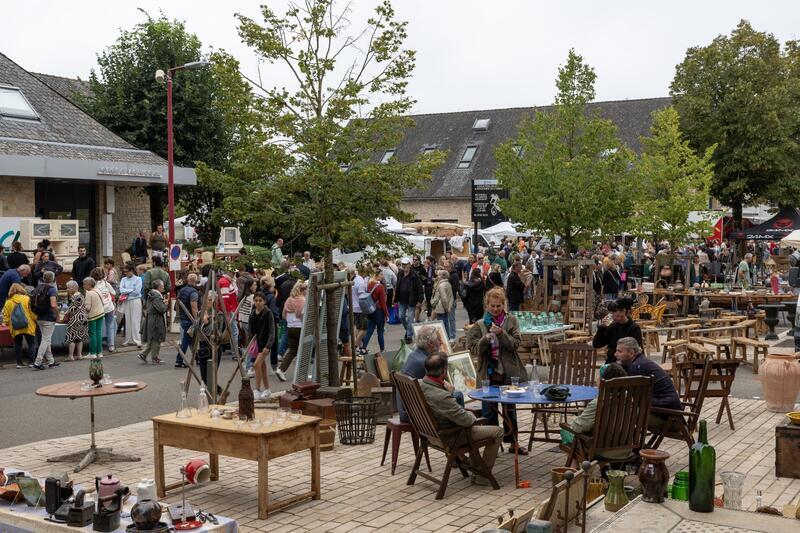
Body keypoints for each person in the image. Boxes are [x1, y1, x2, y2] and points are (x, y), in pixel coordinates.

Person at [418, 353, 504, 486]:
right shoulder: (442, 396)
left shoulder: (419, 385)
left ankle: (476, 467)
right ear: (444, 370)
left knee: (472, 429)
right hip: (450, 437)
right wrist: (472, 415)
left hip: (428, 435)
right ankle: (482, 475)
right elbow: (467, 421)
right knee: (498, 431)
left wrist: (447, 390)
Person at [466, 287, 526, 454]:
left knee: (510, 411)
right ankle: (491, 447)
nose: (495, 309)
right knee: (489, 412)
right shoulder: (479, 325)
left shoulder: (511, 320)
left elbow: (515, 345)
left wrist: (501, 334)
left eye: (498, 306)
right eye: (492, 306)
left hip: (508, 374)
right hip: (488, 375)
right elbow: (473, 349)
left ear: (503, 305)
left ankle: (513, 443)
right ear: (487, 305)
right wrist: (485, 340)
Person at [560, 363, 630, 463]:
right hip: (626, 448)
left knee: (565, 431)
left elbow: (578, 427)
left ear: (603, 381)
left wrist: (577, 419)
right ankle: (601, 468)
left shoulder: (599, 403)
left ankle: (573, 468)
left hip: (601, 450)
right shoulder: (631, 400)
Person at [614, 337, 682, 430]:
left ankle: (622, 438)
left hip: (669, 419)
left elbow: (634, 398)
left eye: (619, 351)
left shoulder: (637, 367)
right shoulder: (641, 361)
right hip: (671, 415)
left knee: (620, 411)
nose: (615, 354)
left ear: (631, 353)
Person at [397, 325, 460, 422]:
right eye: (439, 339)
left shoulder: (413, 355)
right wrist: (447, 387)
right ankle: (461, 426)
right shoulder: (425, 362)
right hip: (415, 413)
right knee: (457, 395)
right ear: (430, 343)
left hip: (405, 410)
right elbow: (439, 393)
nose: (441, 342)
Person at [593, 298, 643, 364]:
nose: (612, 315)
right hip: (612, 363)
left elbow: (638, 351)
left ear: (623, 311)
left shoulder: (634, 328)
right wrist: (602, 328)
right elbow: (596, 344)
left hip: (627, 364)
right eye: (611, 312)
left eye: (614, 311)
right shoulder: (612, 327)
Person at [276, 281, 307, 381]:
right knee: (304, 350)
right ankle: (302, 374)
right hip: (300, 327)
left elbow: (283, 315)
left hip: (290, 327)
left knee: (292, 351)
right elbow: (302, 315)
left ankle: (281, 369)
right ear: (303, 290)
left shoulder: (289, 300)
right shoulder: (303, 300)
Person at [2, 283, 37, 368]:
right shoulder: (26, 298)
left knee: (18, 344)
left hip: (15, 326)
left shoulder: (8, 302)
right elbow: (32, 311)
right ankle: (31, 362)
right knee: (31, 343)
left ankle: (19, 363)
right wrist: (35, 319)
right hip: (28, 325)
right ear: (21, 289)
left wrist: (6, 322)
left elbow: (6, 315)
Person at [249, 291, 275, 400]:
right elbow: (251, 330)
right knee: (262, 367)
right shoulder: (252, 313)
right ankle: (267, 389)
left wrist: (268, 346)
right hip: (257, 344)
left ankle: (257, 389)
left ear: (264, 301)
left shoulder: (268, 313)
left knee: (256, 365)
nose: (258, 303)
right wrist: (251, 341)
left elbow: (272, 331)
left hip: (265, 344)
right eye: (256, 300)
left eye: (260, 300)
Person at [32, 270, 59, 370]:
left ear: (43, 278)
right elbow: (53, 305)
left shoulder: (37, 288)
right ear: (53, 279)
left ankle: (51, 360)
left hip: (39, 316)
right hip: (49, 317)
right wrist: (57, 315)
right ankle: (38, 362)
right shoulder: (51, 289)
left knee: (46, 339)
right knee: (46, 339)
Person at [395, 258, 424, 343]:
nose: (404, 266)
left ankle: (409, 336)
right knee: (401, 316)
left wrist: (420, 301)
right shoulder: (400, 273)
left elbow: (420, 289)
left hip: (411, 300)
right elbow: (397, 285)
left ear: (409, 265)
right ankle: (408, 330)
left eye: (405, 264)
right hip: (401, 299)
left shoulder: (414, 275)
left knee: (410, 318)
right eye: (402, 264)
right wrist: (395, 296)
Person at [139, 279, 167, 364]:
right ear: (158, 287)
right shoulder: (157, 297)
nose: (163, 288)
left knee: (153, 338)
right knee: (156, 338)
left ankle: (143, 354)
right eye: (162, 286)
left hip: (151, 318)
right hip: (156, 319)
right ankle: (155, 358)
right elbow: (161, 309)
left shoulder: (151, 294)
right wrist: (165, 304)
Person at [361, 270, 389, 355]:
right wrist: (386, 314)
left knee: (369, 330)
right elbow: (383, 302)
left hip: (370, 309)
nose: (382, 276)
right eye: (381, 274)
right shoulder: (380, 287)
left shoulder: (369, 284)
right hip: (379, 311)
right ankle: (382, 349)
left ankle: (363, 348)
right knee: (380, 332)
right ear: (377, 275)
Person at [176, 273, 200, 368]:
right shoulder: (193, 292)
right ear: (196, 281)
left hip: (183, 317)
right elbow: (194, 307)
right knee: (186, 340)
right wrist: (196, 319)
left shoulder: (182, 290)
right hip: (190, 319)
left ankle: (198, 357)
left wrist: (179, 315)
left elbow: (178, 303)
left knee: (191, 340)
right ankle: (179, 360)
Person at [63, 280, 88, 361]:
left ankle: (71, 356)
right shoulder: (81, 295)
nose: (67, 289)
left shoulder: (74, 297)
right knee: (79, 338)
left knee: (72, 338)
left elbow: (72, 310)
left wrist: (65, 314)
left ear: (74, 288)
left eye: (68, 288)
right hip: (83, 318)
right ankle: (79, 355)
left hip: (75, 319)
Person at [119, 265, 143, 348]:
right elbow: (121, 290)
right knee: (128, 320)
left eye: (127, 271)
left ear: (131, 270)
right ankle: (128, 340)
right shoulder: (123, 279)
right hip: (127, 301)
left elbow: (137, 292)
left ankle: (137, 340)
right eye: (124, 272)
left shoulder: (138, 279)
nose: (125, 273)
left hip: (135, 301)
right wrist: (131, 290)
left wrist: (126, 291)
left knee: (136, 320)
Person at [217, 268, 240, 356]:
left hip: (228, 310)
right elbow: (224, 300)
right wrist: (228, 312)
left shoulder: (225, 281)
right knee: (234, 332)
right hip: (228, 311)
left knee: (229, 332)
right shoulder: (225, 282)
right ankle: (235, 353)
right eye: (233, 272)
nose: (234, 274)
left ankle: (234, 352)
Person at [83, 277, 105, 359]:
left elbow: (88, 307)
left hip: (92, 315)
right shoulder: (98, 290)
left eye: (84, 284)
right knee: (98, 332)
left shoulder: (89, 293)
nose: (83, 286)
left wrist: (83, 306)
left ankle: (92, 353)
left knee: (92, 334)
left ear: (89, 285)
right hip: (100, 313)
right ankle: (99, 352)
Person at [432, 270, 453, 339]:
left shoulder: (441, 285)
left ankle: (444, 339)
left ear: (442, 276)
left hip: (441, 308)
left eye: (439, 275)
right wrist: (449, 307)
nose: (437, 276)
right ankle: (448, 338)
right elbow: (451, 297)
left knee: (441, 325)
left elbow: (444, 298)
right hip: (446, 307)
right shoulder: (448, 284)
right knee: (446, 324)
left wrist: (446, 308)